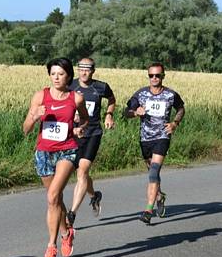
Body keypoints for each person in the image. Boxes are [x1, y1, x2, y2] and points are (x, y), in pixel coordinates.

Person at [23, 57, 88, 257]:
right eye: (53, 74)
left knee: (52, 197)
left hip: (67, 151)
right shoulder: (40, 96)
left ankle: (51, 248)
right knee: (56, 199)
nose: (56, 77)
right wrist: (34, 116)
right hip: (43, 152)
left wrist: (79, 127)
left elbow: (86, 119)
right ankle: (66, 231)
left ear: (68, 75)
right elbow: (25, 130)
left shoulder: (75, 98)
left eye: (60, 74)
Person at [124, 63, 185, 224]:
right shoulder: (141, 94)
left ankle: (148, 210)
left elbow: (181, 108)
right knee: (153, 173)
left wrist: (174, 123)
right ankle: (159, 196)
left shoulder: (171, 94)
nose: (154, 78)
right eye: (151, 75)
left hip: (162, 137)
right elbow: (126, 111)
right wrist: (135, 112)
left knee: (153, 171)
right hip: (145, 138)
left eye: (158, 75)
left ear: (163, 76)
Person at [66, 57, 116, 226]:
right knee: (82, 174)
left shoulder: (101, 87)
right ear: (77, 70)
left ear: (93, 71)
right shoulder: (70, 86)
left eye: (87, 69)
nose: (84, 72)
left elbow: (112, 99)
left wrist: (109, 114)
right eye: (81, 68)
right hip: (73, 134)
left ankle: (72, 214)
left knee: (82, 172)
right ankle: (94, 196)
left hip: (93, 133)